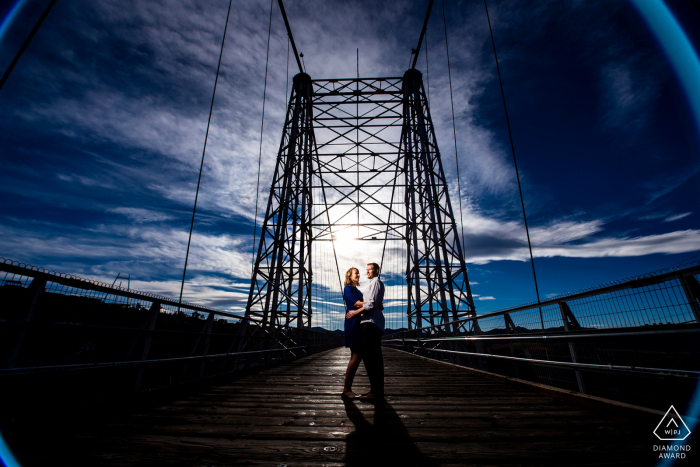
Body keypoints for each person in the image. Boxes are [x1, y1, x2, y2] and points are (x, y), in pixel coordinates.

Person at [346, 262, 385, 401]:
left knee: (371, 359)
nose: (366, 272)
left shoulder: (375, 283)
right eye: (366, 270)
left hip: (371, 323)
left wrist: (356, 311)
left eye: (370, 270)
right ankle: (376, 390)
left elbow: (371, 303)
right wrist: (375, 304)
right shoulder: (372, 284)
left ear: (376, 271)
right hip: (370, 322)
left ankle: (375, 392)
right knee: (372, 358)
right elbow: (372, 303)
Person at [341, 267, 365, 400]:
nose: (359, 275)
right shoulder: (348, 289)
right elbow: (357, 304)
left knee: (357, 355)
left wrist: (368, 305)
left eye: (358, 273)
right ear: (349, 276)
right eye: (356, 273)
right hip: (353, 324)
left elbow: (362, 306)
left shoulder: (357, 290)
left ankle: (347, 389)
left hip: (359, 324)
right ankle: (346, 390)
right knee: (356, 355)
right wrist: (373, 304)